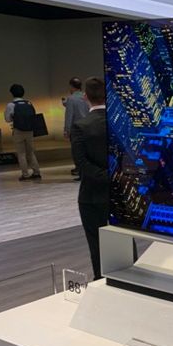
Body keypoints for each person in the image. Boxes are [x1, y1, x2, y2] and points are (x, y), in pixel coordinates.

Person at [71, 77, 108, 280]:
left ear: (85, 97)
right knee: (125, 240)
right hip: (120, 194)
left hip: (92, 196)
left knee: (96, 243)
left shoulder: (81, 126)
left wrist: (104, 177)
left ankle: (102, 281)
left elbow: (81, 164)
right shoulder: (120, 122)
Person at [4, 84, 41, 181]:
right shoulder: (29, 103)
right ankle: (36, 172)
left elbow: (7, 119)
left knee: (21, 153)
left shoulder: (11, 105)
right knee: (31, 153)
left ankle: (25, 174)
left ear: (12, 93)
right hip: (30, 131)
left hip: (18, 131)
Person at [63, 77, 90, 181]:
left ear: (71, 86)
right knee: (87, 151)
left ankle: (81, 173)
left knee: (77, 152)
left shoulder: (71, 99)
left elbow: (69, 116)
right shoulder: (86, 96)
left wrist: (67, 130)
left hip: (77, 129)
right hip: (88, 127)